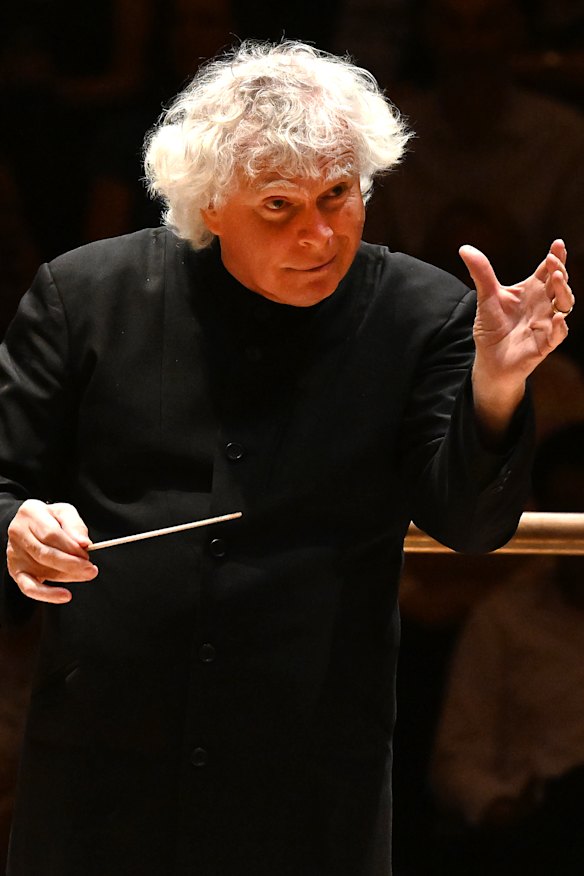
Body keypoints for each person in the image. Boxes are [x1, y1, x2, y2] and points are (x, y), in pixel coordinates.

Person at [0, 41, 574, 876]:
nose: (320, 233)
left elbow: (473, 525)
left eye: (339, 195)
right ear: (210, 204)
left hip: (309, 787)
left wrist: (498, 383)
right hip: (103, 772)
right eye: (280, 205)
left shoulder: (426, 316)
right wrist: (18, 528)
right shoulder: (83, 296)